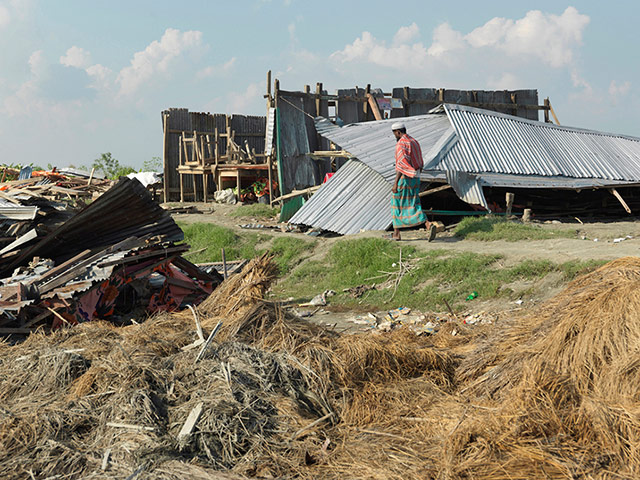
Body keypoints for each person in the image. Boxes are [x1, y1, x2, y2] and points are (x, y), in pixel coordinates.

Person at [390, 122, 436, 242]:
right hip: (416, 177)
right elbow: (420, 161)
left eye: (394, 133)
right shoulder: (414, 141)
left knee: (397, 203)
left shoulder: (401, 144)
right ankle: (427, 224)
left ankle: (397, 233)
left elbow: (401, 165)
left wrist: (395, 183)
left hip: (405, 178)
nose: (395, 136)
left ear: (398, 132)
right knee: (413, 202)